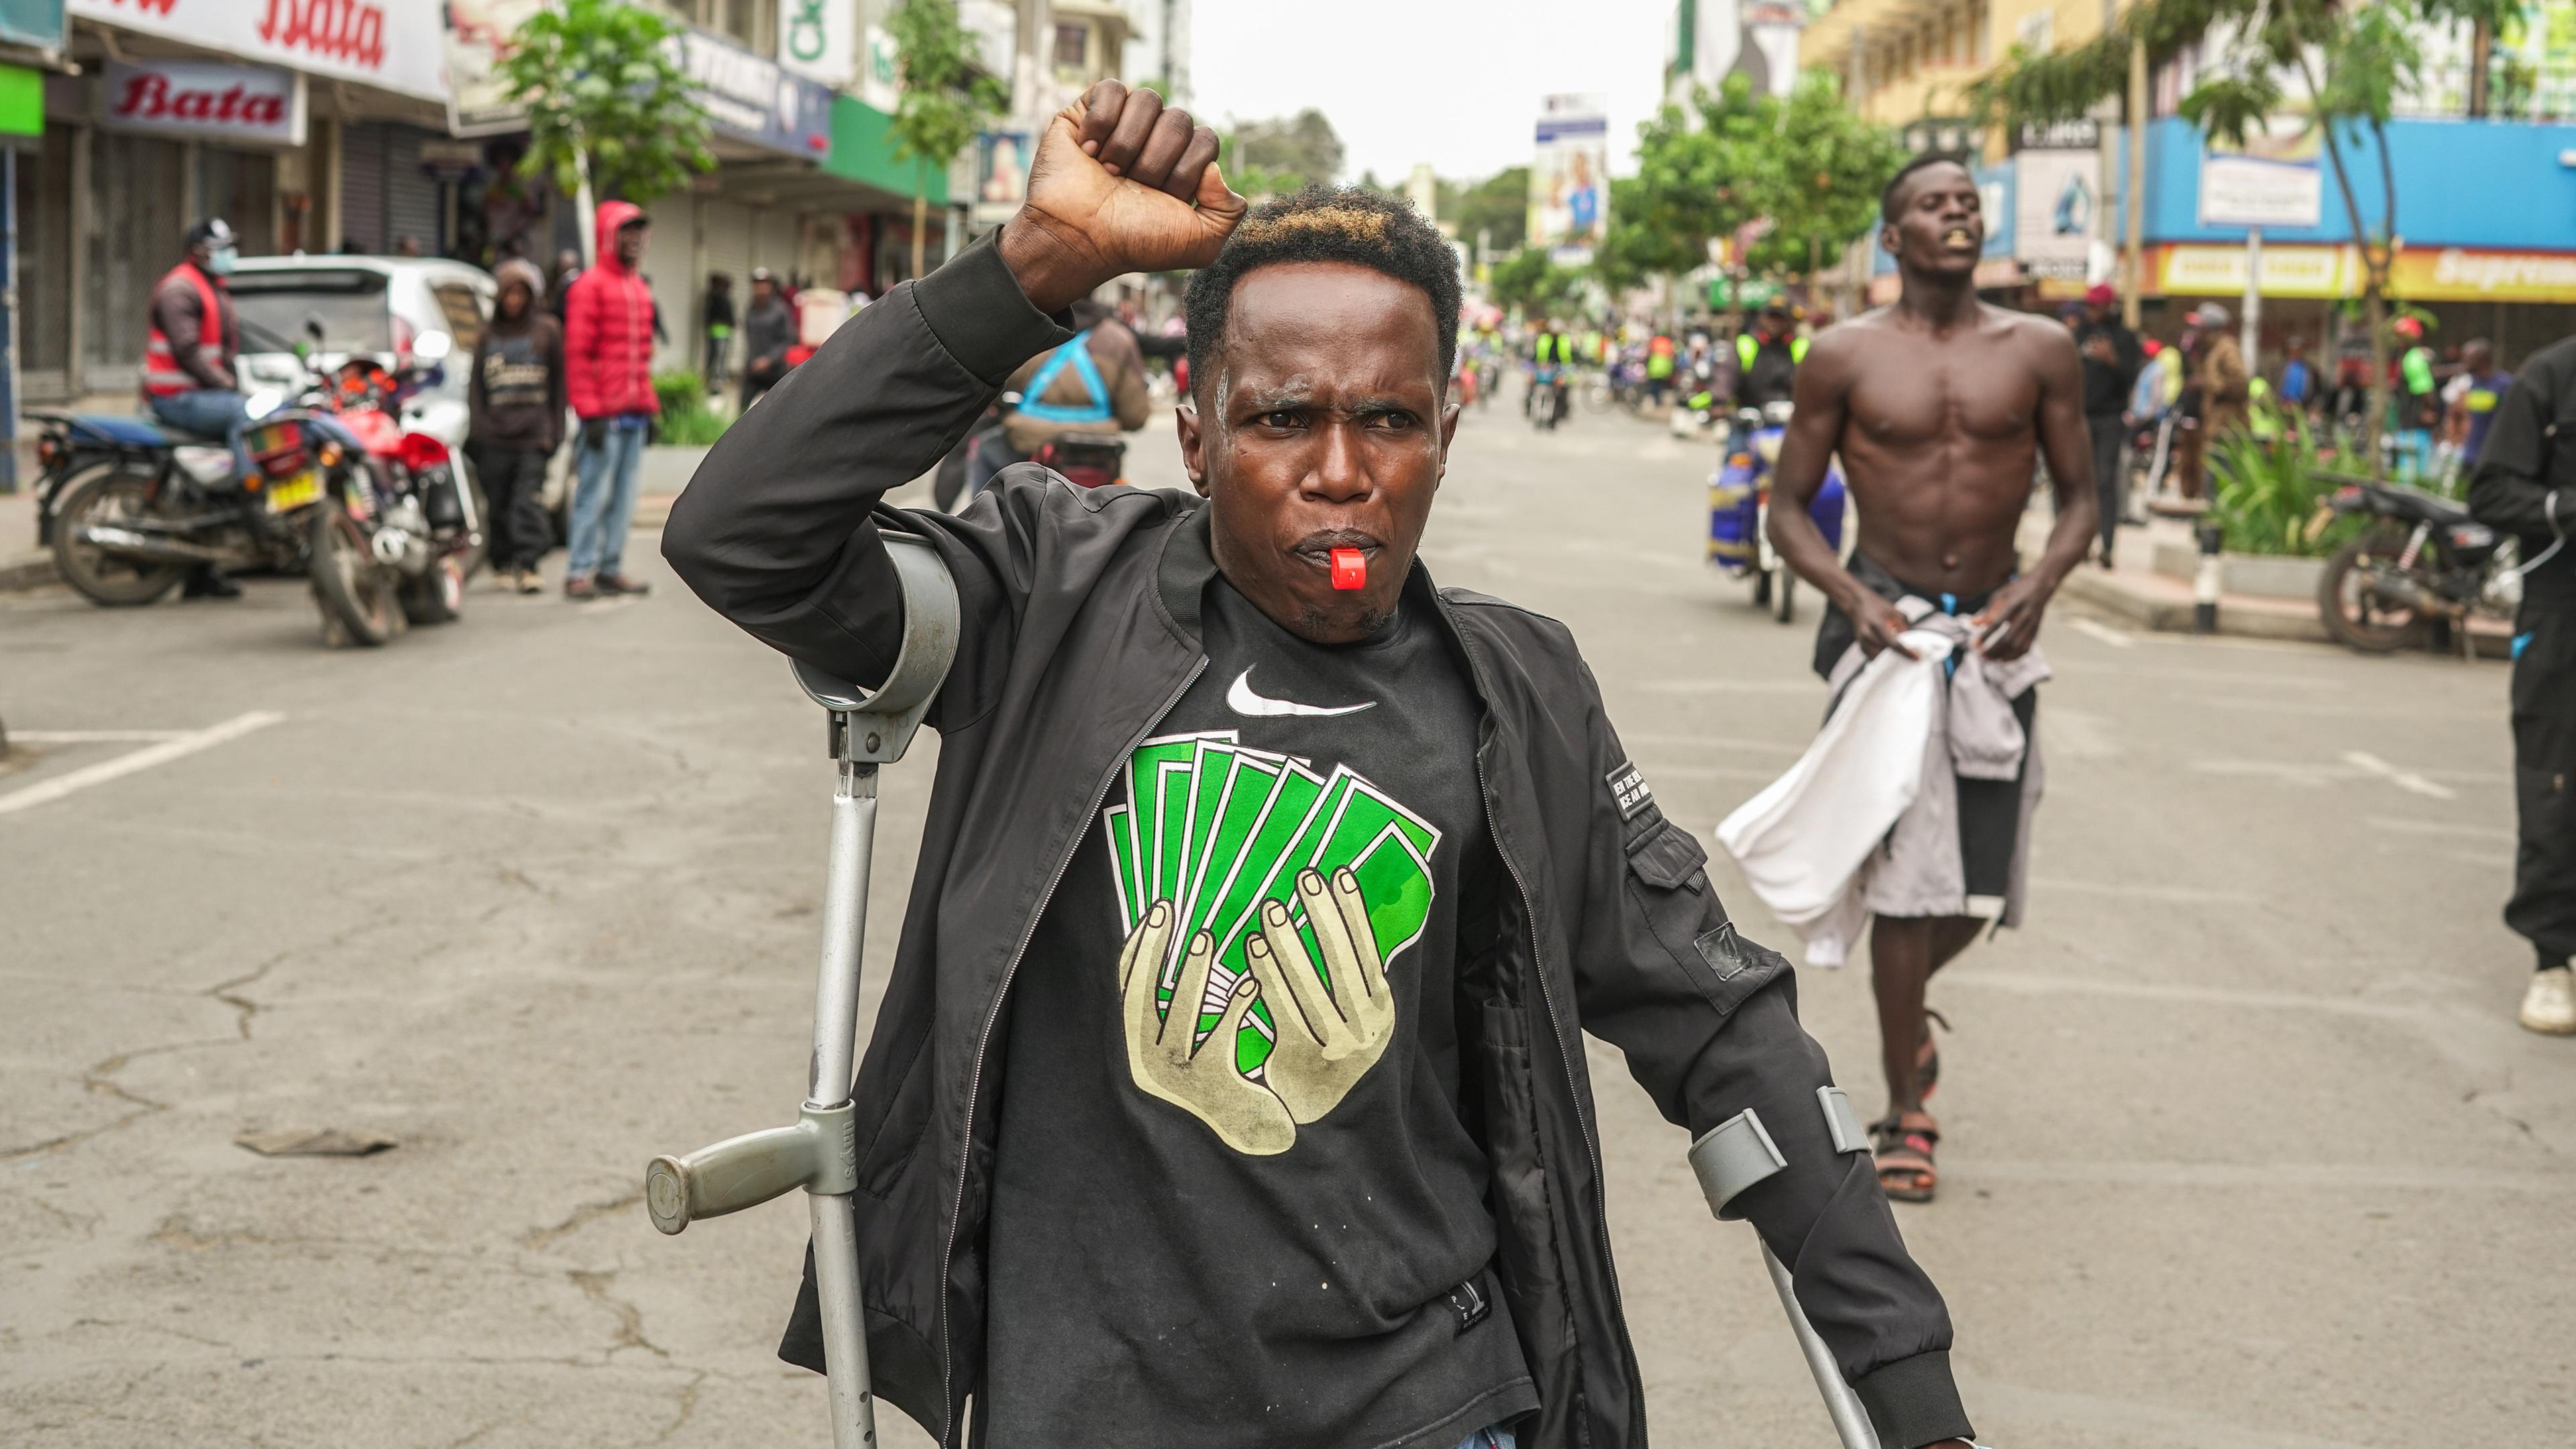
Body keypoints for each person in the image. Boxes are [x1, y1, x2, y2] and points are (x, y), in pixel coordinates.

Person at [663, 78, 1980, 1449]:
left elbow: (1724, 1031)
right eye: (1284, 419)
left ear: (1447, 437)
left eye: (1391, 422)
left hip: (1425, 1404)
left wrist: (1909, 1388)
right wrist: (1039, 266)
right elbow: (743, 536)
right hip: (1087, 1406)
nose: (1343, 473)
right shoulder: (1049, 600)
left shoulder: (1515, 692)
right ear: (1197, 436)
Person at [1766, 154, 2096, 1205]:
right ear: (1894, 238)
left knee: (1984, 881)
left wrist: (2039, 585)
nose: (1956, 215)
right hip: (1885, 640)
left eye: (1967, 203)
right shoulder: (1842, 355)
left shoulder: (2040, 349)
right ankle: (1911, 1101)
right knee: (1905, 892)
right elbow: (1786, 511)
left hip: (1996, 638)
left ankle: (1908, 1015)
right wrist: (1854, 599)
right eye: (1931, 206)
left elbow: (2085, 500)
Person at [2468, 335, 2576, 1033]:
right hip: (2563, 616)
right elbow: (2492, 490)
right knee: (2554, 784)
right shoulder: (2551, 377)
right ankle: (2553, 962)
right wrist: (2566, 507)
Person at [143, 217, 253, 600]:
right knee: (245, 415)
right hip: (178, 399)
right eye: (221, 249)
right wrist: (228, 387)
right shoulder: (180, 289)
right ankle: (251, 491)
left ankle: (202, 573)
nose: (229, 255)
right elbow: (187, 351)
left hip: (197, 396)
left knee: (207, 486)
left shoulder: (210, 286)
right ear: (199, 252)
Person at [559, 201, 658, 600]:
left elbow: (641, 356)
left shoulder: (638, 287)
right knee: (592, 495)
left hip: (634, 414)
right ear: (608, 236)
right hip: (603, 416)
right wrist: (590, 411)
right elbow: (578, 354)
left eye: (639, 231)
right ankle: (579, 571)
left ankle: (610, 568)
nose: (635, 239)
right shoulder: (589, 286)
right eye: (626, 231)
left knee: (624, 498)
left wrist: (650, 407)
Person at [466, 257, 565, 595]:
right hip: (494, 436)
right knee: (498, 505)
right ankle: (503, 563)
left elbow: (559, 386)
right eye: (509, 294)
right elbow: (475, 387)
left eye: (522, 294)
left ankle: (529, 564)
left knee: (527, 503)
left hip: (533, 434)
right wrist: (478, 430)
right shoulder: (486, 335)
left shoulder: (548, 330)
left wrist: (556, 432)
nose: (515, 301)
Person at [2073, 282, 2143, 565]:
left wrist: (2111, 359)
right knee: (2081, 482)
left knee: (2105, 480)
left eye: (2095, 306)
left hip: (2111, 417)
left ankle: (2108, 546)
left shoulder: (2124, 337)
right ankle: (2081, 545)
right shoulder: (2079, 334)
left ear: (2108, 306)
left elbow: (2132, 376)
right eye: (2087, 305)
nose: (2090, 311)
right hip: (2080, 417)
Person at [2452, 338, 2515, 471]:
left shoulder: (2505, 384)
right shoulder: (2471, 383)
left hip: (2494, 456)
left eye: (2467, 358)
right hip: (2470, 455)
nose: (2463, 362)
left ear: (2482, 359)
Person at [739, 268, 796, 410]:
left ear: (770, 287)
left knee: (777, 411)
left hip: (774, 372)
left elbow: (788, 339)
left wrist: (768, 360)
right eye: (757, 285)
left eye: (764, 284)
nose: (761, 289)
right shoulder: (751, 309)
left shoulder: (781, 310)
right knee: (741, 410)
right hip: (753, 370)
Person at [1732, 302, 1804, 411]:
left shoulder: (1800, 346)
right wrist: (1719, 401)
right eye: (1771, 318)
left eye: (1780, 319)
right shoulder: (1745, 344)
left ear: (1789, 322)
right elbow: (1726, 373)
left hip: (1791, 415)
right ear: (1761, 320)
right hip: (1751, 414)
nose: (1775, 323)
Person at [2394, 315, 2441, 480]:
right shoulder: (2411, 357)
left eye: (2404, 336)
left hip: (2413, 429)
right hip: (2411, 427)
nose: (2399, 340)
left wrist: (2429, 412)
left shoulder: (2413, 359)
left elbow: (2427, 390)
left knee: (2411, 478)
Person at [702, 272, 736, 389]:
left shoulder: (712, 297)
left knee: (714, 357)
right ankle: (716, 382)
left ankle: (712, 379)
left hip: (718, 331)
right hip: (720, 331)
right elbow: (727, 315)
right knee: (719, 357)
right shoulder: (719, 297)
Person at [2276, 333, 2314, 414]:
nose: (2295, 353)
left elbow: (2310, 389)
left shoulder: (2307, 368)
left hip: (2301, 406)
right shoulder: (2281, 367)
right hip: (2283, 405)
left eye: (2298, 350)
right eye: (2292, 350)